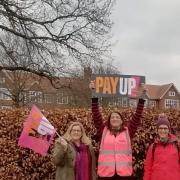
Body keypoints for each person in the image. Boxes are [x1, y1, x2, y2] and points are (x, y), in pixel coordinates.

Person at [89, 81, 146, 180]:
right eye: (112, 117)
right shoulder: (104, 131)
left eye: (117, 117)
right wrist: (93, 93)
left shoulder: (128, 131)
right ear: (109, 121)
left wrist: (142, 96)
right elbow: (96, 115)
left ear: (121, 120)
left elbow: (137, 116)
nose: (115, 119)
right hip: (106, 174)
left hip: (124, 175)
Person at [143, 114, 180, 180]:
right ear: (157, 130)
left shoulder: (177, 145)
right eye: (160, 128)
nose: (163, 131)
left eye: (165, 128)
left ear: (169, 130)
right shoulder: (153, 147)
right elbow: (148, 167)